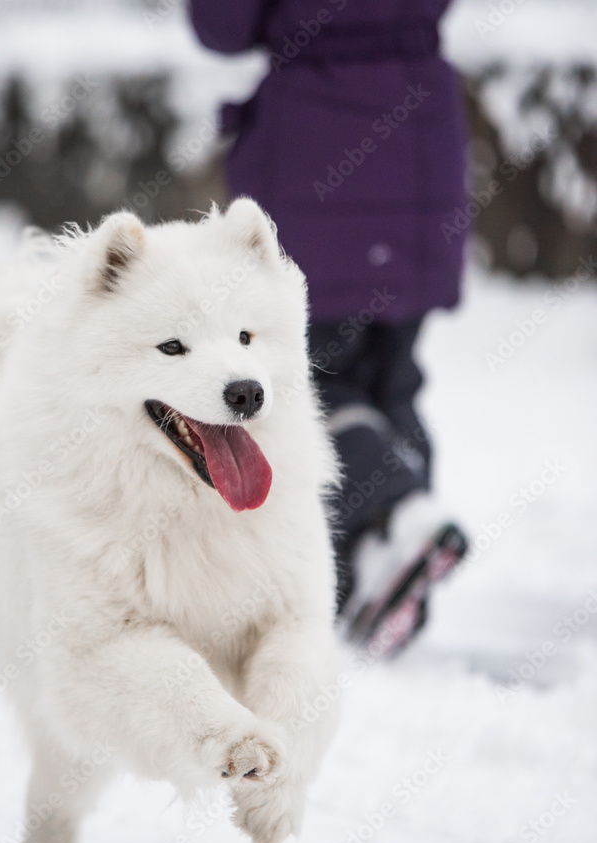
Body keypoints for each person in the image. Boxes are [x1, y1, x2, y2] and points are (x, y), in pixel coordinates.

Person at [189, 0, 469, 656]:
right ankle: (385, 565)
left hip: (316, 159)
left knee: (306, 389)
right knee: (391, 382)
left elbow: (220, 25)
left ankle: (398, 515)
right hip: (423, 148)